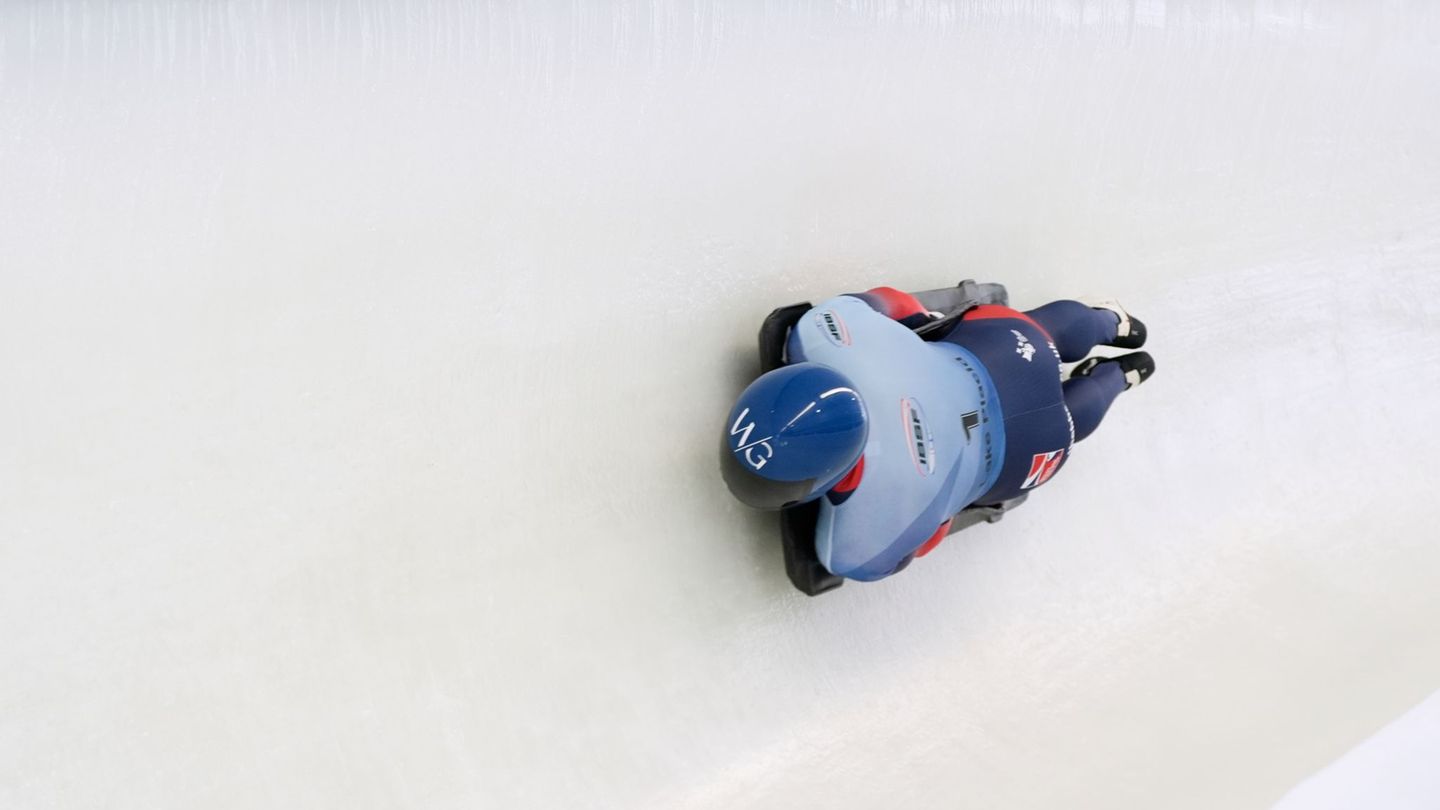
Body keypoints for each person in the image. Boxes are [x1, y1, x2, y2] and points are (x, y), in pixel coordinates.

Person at [720, 285, 1154, 582]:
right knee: (1038, 329)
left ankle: (1120, 379)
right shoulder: (823, 331)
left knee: (1067, 424)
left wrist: (941, 502)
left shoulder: (855, 544)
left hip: (1025, 453)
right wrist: (923, 325)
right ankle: (1109, 325)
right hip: (1004, 349)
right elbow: (895, 303)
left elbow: (919, 544)